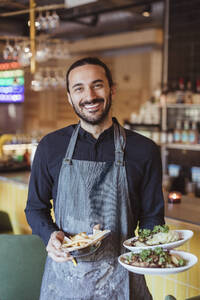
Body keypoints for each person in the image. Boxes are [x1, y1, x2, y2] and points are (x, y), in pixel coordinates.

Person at [25, 57, 165, 300]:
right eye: (79, 88)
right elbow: (35, 208)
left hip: (124, 280)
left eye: (97, 85)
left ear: (112, 89)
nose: (89, 96)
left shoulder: (145, 150)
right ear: (69, 97)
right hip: (65, 281)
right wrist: (50, 235)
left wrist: (148, 249)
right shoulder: (50, 146)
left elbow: (152, 217)